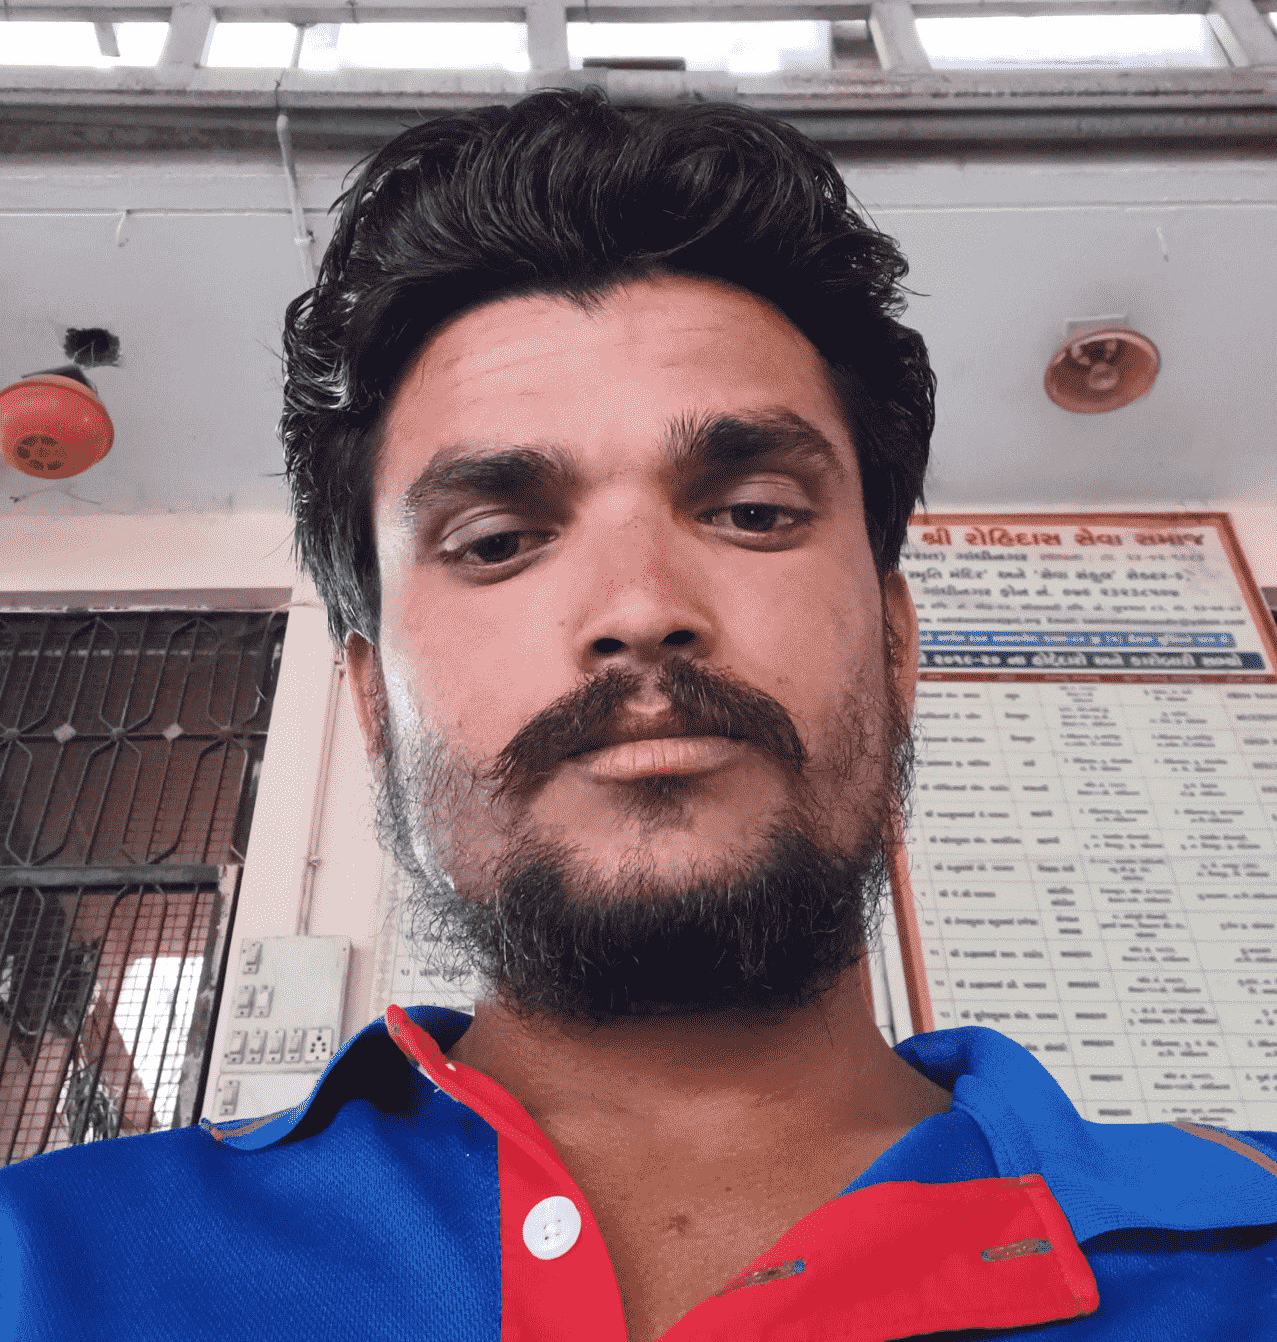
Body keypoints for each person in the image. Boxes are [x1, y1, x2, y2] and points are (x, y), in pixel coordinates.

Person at [2, 89, 1275, 1342]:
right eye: (497, 541)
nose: (641, 607)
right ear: (372, 704)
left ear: (895, 647)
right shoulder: (44, 1268)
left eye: (753, 513)